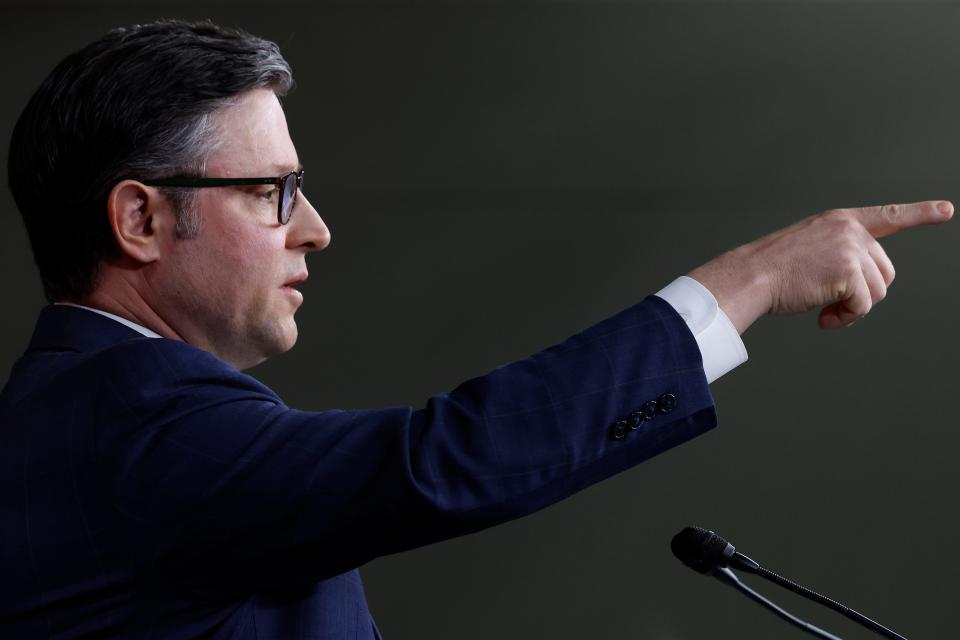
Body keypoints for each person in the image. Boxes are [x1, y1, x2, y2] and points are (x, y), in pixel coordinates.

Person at [0, 19, 950, 640]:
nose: (315, 227)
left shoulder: (103, 415)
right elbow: (444, 462)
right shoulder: (121, 422)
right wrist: (749, 281)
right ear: (140, 221)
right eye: (270, 191)